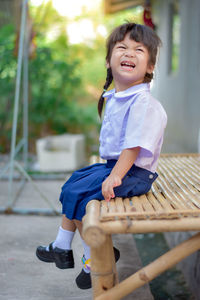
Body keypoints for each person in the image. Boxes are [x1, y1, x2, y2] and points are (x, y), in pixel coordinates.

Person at [36, 22, 167, 290]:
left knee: (83, 196)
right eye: (122, 47)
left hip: (134, 174)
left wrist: (115, 177)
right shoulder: (117, 96)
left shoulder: (143, 102)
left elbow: (132, 147)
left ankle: (90, 257)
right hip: (116, 167)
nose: (129, 53)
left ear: (151, 66)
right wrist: (112, 171)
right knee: (73, 184)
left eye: (138, 50)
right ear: (108, 61)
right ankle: (63, 245)